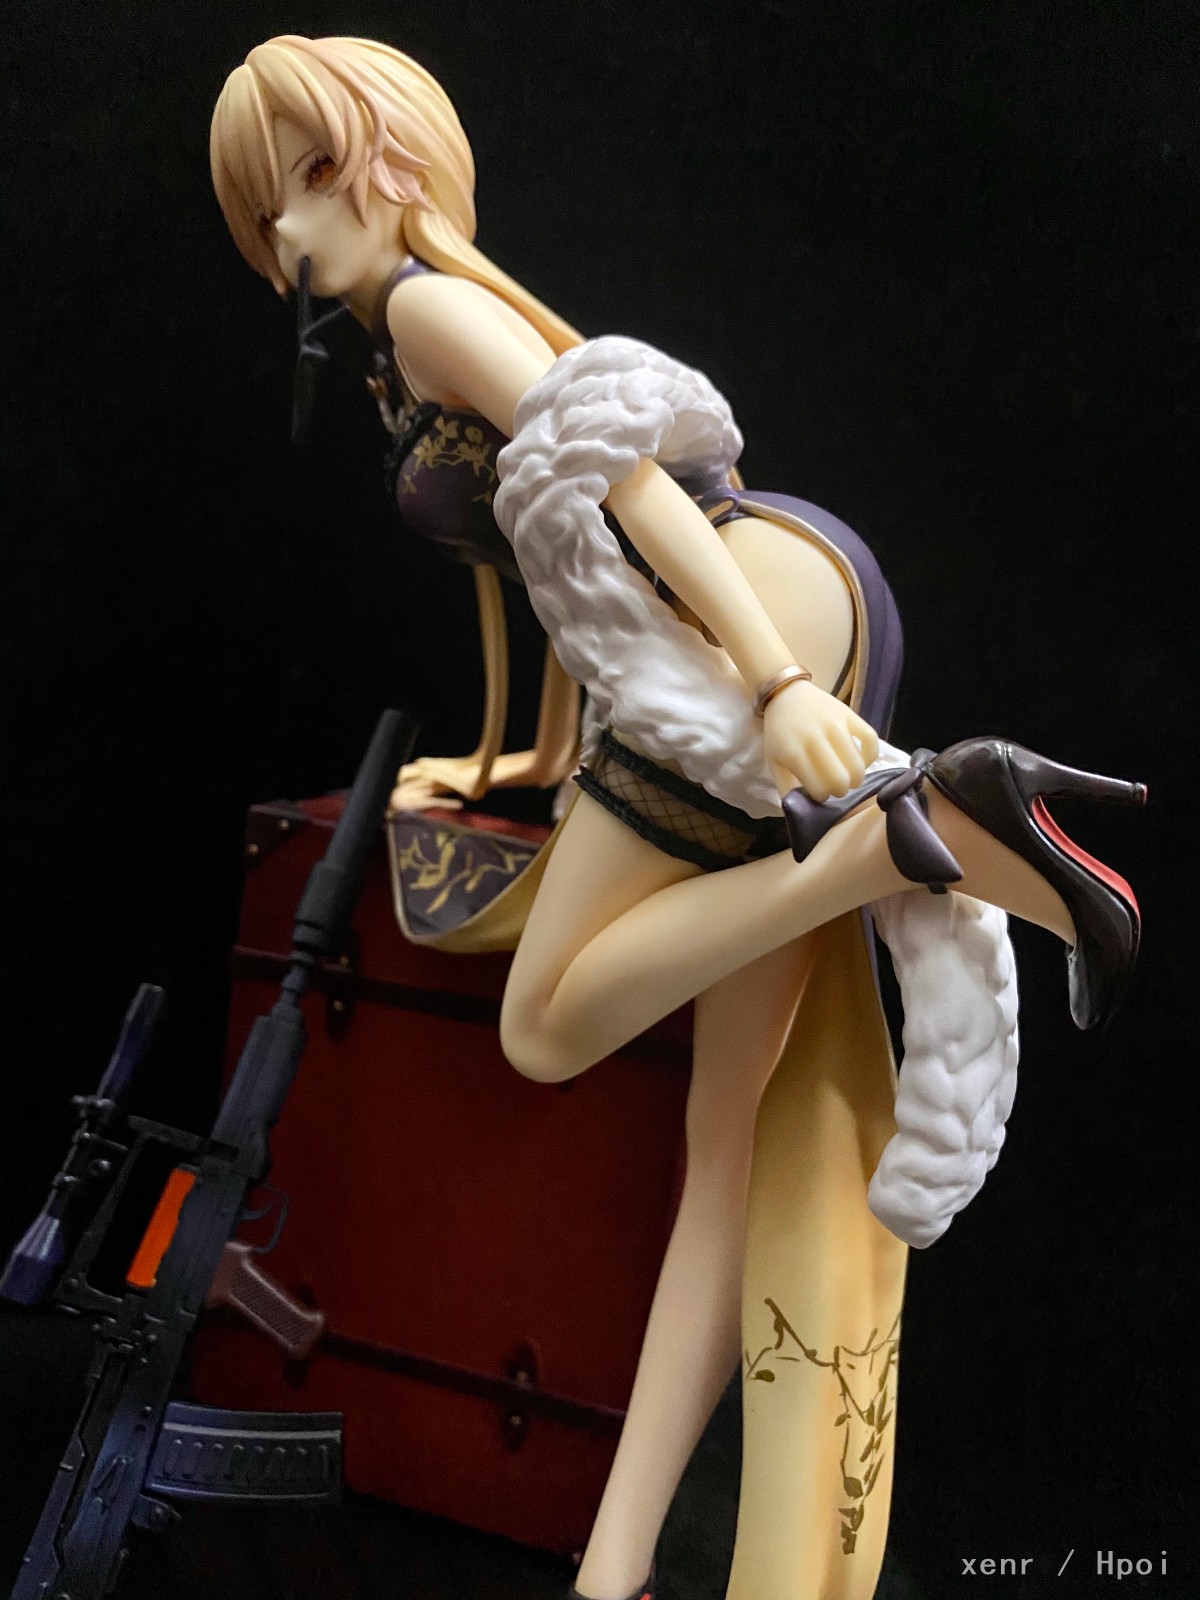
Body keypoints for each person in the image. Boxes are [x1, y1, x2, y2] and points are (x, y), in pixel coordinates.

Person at [210, 36, 1143, 1600]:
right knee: (723, 1150)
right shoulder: (407, 336)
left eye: (313, 177)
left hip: (730, 610)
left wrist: (771, 684)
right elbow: (538, 562)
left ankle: (897, 834)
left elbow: (624, 484)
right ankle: (619, 1566)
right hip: (772, 586)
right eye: (264, 212)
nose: (292, 230)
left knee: (544, 1027)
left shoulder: (432, 308)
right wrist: (510, 761)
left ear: (396, 158)